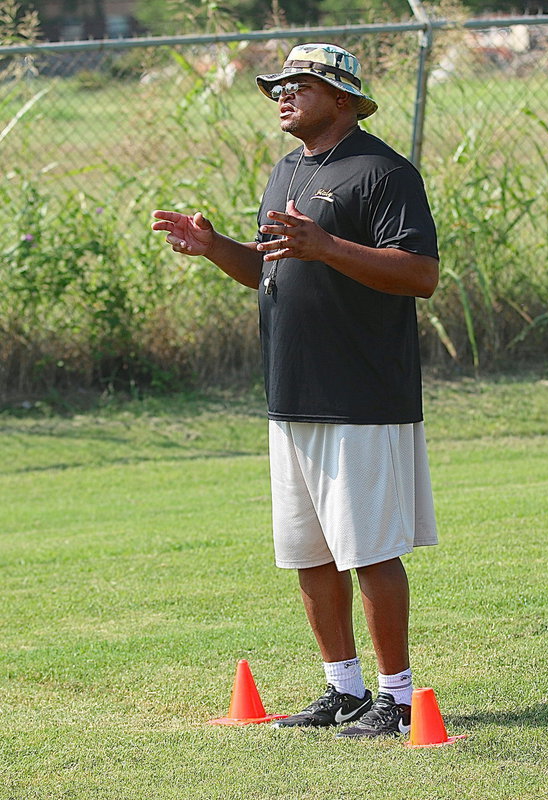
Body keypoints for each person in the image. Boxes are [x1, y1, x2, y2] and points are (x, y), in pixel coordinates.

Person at [152, 43, 440, 739]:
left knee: (368, 550)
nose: (281, 94)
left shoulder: (382, 172)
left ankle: (397, 700)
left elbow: (419, 274)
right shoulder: (286, 170)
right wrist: (217, 246)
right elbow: (273, 270)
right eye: (275, 85)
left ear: (340, 97)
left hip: (361, 396)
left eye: (297, 85)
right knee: (308, 552)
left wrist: (329, 247)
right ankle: (343, 690)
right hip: (292, 395)